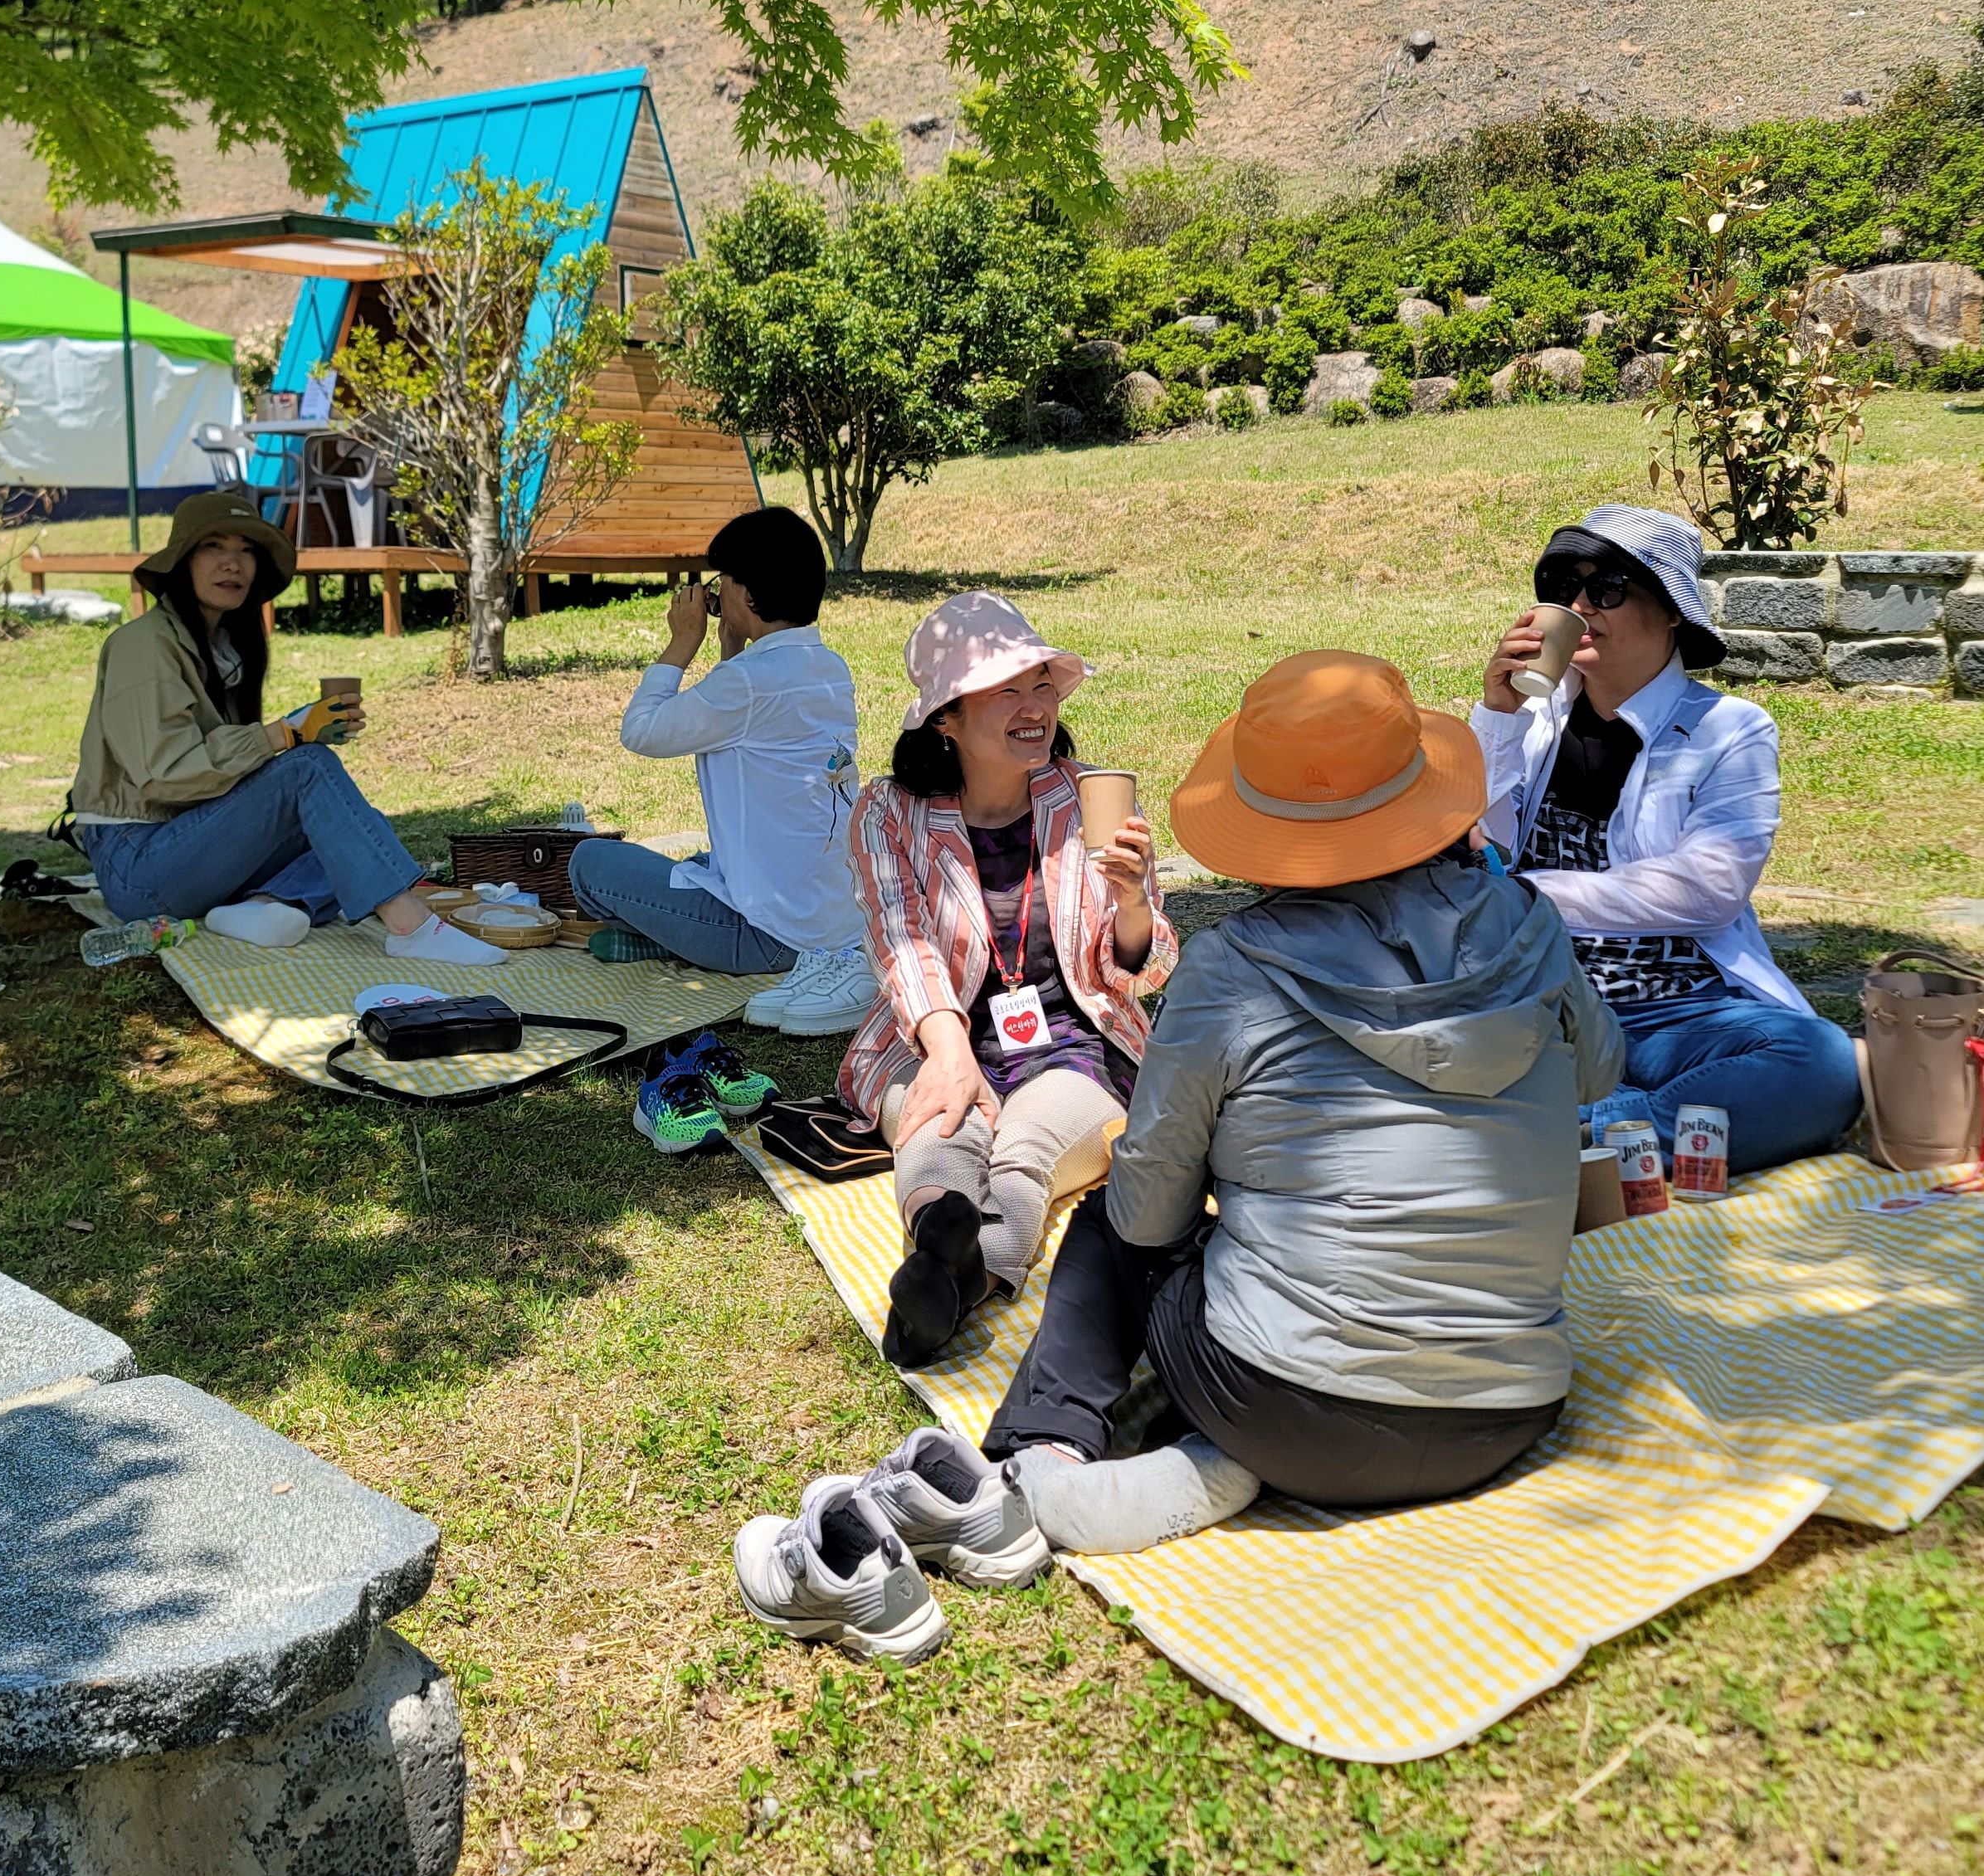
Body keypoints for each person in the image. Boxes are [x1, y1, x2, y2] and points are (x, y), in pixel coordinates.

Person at [972, 649, 1623, 1556]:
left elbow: (1149, 1209)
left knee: (1108, 1226)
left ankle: (1042, 1452)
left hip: (1280, 1398)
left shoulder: (1234, 966)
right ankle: (1225, 1450)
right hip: (1505, 1413)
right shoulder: (1527, 923)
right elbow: (1599, 1072)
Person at [1473, 502, 1861, 1170]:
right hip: (1538, 998)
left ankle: (1588, 1129)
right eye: (1564, 588)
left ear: (1674, 609)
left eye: (1609, 589)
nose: (1580, 606)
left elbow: (1709, 889)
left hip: (1671, 1010)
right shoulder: (1532, 718)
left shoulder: (1730, 730)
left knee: (1820, 1063)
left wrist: (1529, 892)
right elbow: (1474, 851)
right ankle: (1620, 1128)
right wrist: (1497, 717)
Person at [843, 592, 1175, 1369]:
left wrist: (1133, 899)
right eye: (1005, 690)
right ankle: (943, 1239)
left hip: (1075, 1041)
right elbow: (900, 938)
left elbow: (1146, 971)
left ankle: (961, 1280)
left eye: (1043, 686)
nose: (1035, 709)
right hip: (935, 1033)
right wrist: (949, 1051)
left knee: (1023, 1152)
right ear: (945, 718)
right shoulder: (889, 813)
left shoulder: (1090, 797)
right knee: (939, 1131)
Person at [66, 487, 505, 968]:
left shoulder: (224, 647)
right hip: (139, 865)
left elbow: (223, 779)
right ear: (182, 561)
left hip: (188, 848)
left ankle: (266, 908)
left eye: (246, 550)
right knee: (309, 772)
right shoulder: (143, 645)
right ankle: (413, 928)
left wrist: (303, 729)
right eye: (214, 547)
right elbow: (165, 772)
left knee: (355, 826)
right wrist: (284, 735)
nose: (232, 563)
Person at [567, 507, 879, 1032]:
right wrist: (732, 647)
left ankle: (664, 937)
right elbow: (749, 715)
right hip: (833, 918)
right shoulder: (827, 666)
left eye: (724, 581)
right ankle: (663, 933)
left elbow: (641, 732)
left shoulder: (749, 683)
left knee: (588, 862)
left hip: (762, 935)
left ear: (748, 594)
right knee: (700, 861)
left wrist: (682, 643)